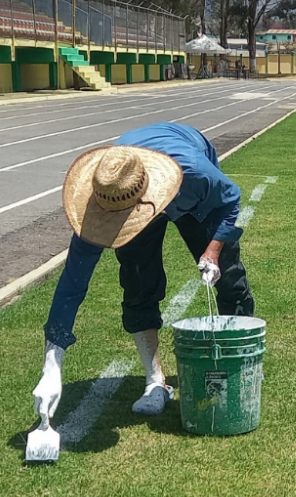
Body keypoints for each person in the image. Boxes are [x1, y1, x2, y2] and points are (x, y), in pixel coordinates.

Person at [33, 122, 255, 423]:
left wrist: (212, 251)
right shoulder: (104, 198)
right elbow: (72, 284)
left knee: (228, 276)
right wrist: (52, 365)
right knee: (138, 281)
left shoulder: (195, 172)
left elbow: (230, 200)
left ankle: (242, 368)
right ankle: (155, 382)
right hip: (134, 192)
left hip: (189, 194)